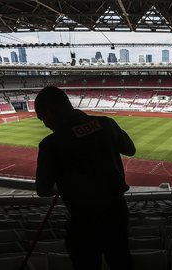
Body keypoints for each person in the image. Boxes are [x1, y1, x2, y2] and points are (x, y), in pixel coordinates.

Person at [34, 86, 136, 270]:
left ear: (51, 111)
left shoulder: (50, 144)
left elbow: (43, 189)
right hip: (117, 214)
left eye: (42, 118)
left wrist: (60, 186)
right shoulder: (107, 123)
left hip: (84, 221)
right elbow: (130, 149)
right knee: (121, 262)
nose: (45, 124)